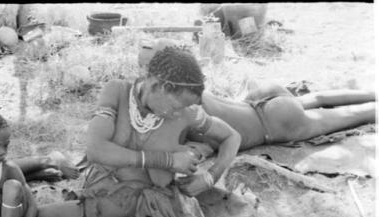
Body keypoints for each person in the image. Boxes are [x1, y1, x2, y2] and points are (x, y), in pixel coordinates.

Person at [34, 46, 268, 217]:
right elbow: (96, 150)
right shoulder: (117, 93)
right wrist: (167, 160)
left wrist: (209, 177)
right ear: (158, 85)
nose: (176, 112)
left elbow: (232, 137)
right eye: (174, 104)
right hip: (101, 200)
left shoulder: (187, 114)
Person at [139, 38, 376, 151]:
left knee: (351, 116)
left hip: (272, 123)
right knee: (318, 99)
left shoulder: (173, 110)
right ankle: (371, 92)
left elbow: (202, 149)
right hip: (258, 99)